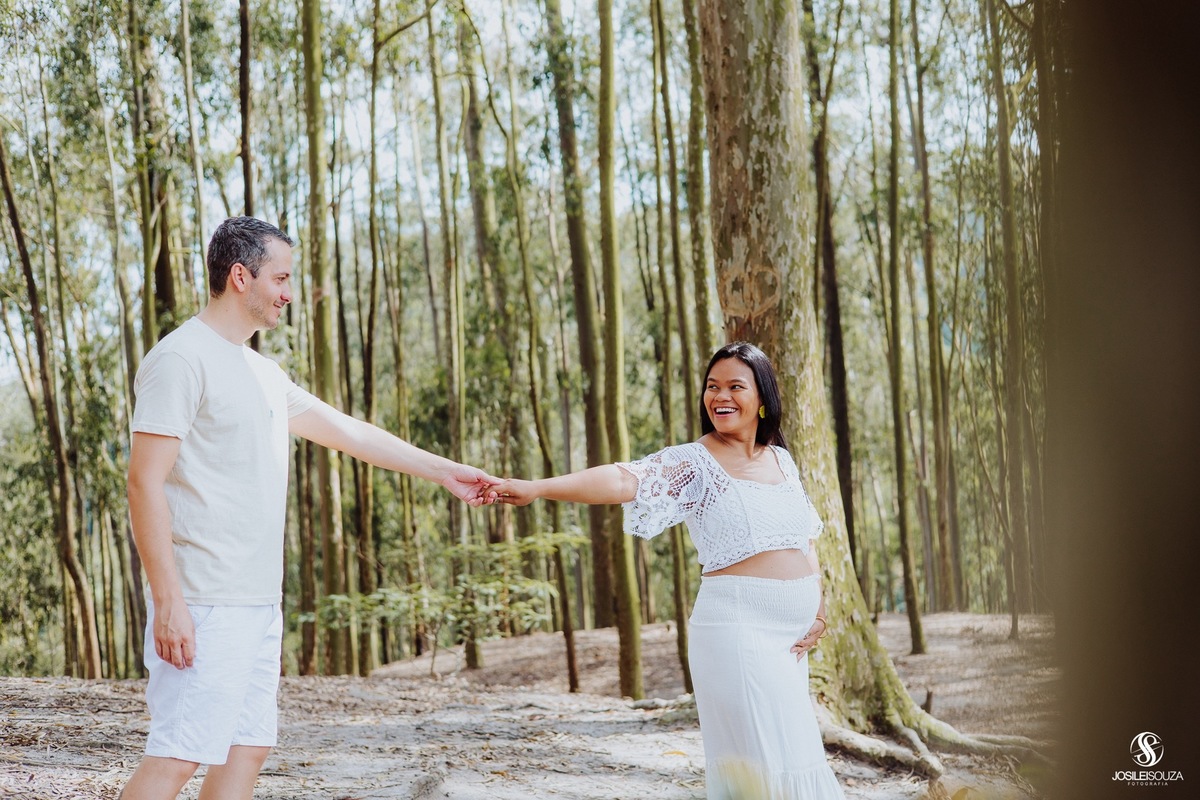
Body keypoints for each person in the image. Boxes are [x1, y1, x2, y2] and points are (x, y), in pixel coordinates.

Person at [120, 217, 497, 800]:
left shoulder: (263, 373)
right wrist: (169, 601)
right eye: (281, 277)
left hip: (258, 601)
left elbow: (352, 433)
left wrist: (444, 471)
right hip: (203, 600)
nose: (289, 293)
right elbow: (143, 483)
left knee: (247, 748)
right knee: (179, 752)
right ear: (240, 276)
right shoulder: (180, 359)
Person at [490, 342, 845, 799]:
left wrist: (817, 611)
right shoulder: (694, 462)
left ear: (763, 399)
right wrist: (538, 488)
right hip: (738, 631)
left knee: (798, 758)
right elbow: (624, 479)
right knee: (765, 766)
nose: (721, 396)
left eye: (736, 386)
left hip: (791, 644)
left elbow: (805, 537)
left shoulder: (781, 459)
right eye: (712, 386)